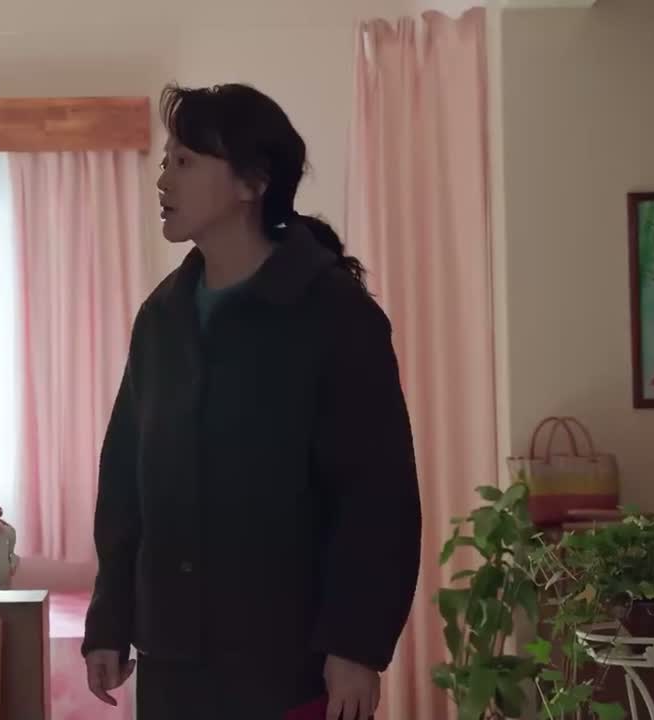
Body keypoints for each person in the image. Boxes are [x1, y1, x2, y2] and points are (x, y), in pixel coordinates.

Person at [81, 82, 423, 720]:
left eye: (185, 161)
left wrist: (356, 646)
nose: (163, 179)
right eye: (165, 160)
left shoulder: (333, 313)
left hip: (289, 658)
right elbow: (126, 481)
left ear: (252, 181)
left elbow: (377, 496)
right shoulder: (162, 318)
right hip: (173, 657)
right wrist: (110, 620)